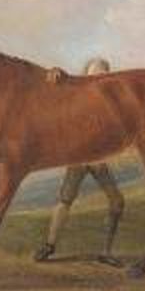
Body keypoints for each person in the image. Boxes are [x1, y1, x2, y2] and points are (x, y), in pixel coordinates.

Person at [35, 58, 125, 266]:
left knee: (117, 202)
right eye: (93, 74)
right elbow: (54, 89)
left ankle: (106, 252)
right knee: (65, 200)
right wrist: (55, 71)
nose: (97, 78)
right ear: (85, 75)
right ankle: (49, 245)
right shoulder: (75, 94)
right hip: (78, 158)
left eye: (102, 75)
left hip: (99, 160)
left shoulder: (111, 99)